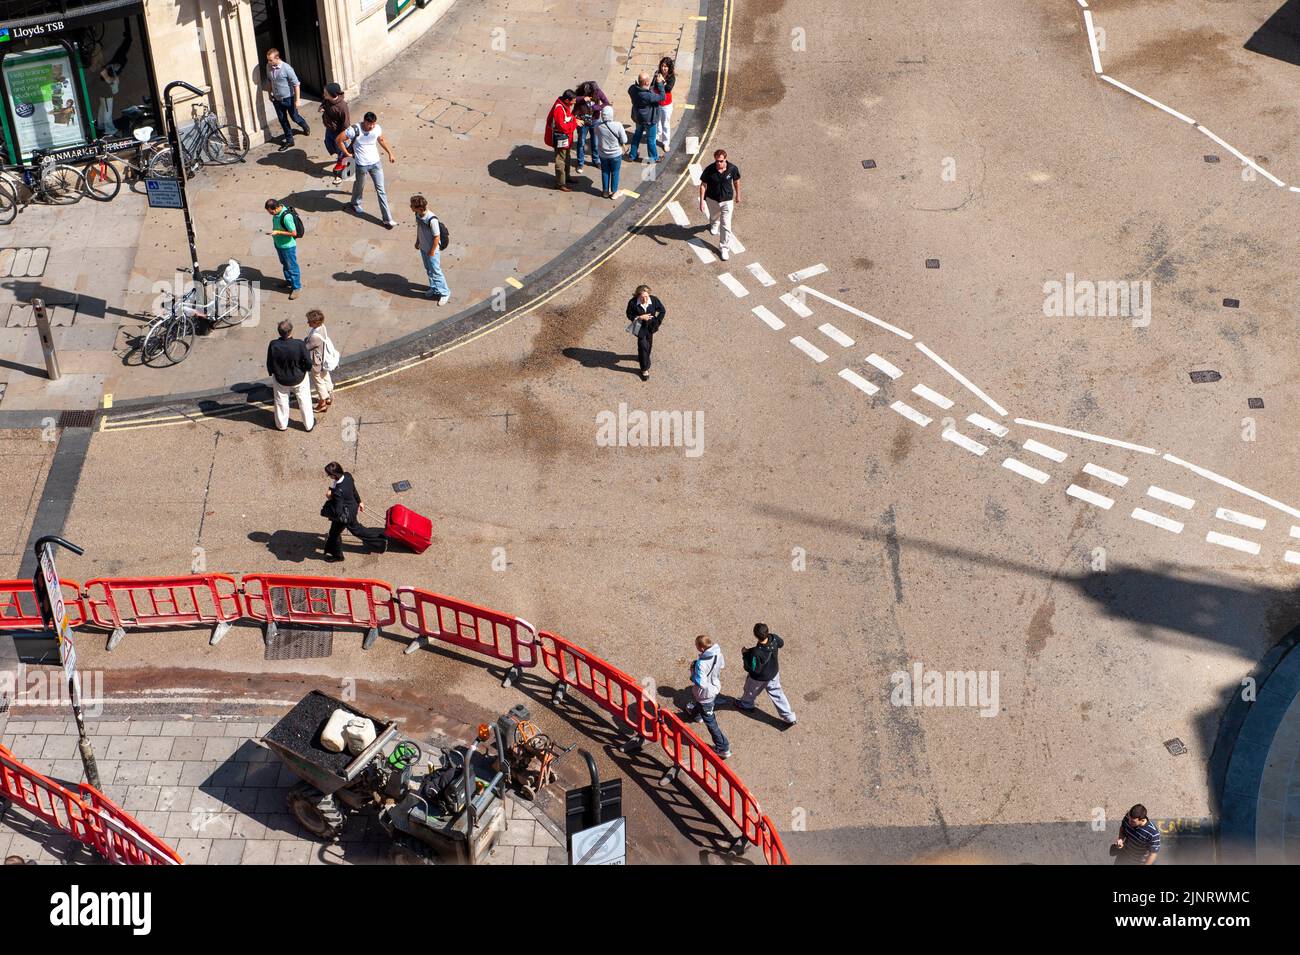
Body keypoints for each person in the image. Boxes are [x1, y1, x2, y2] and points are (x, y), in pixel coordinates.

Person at [336, 111, 398, 227]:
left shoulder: (377, 128)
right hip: (361, 165)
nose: (372, 126)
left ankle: (387, 219)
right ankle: (355, 203)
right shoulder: (354, 129)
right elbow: (339, 139)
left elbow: (381, 140)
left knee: (381, 190)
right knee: (359, 186)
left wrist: (390, 153)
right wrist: (346, 153)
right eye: (370, 124)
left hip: (376, 163)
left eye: (374, 124)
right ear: (364, 121)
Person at [321, 462, 388, 562]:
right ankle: (380, 541)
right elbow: (353, 490)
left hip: (346, 515)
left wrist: (330, 496)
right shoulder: (347, 476)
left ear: (334, 475)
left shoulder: (338, 491)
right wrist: (359, 501)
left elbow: (338, 511)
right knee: (357, 529)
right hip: (353, 506)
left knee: (335, 534)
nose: (328, 476)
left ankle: (338, 556)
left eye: (329, 474)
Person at [737, 623, 796, 725]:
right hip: (773, 673)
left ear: (755, 635)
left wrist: (746, 654)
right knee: (778, 694)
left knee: (750, 691)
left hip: (758, 679)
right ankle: (789, 716)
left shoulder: (756, 652)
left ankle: (746, 704)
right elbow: (781, 643)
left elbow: (754, 669)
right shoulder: (774, 638)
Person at [685, 635, 730, 759]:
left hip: (705, 695)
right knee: (701, 706)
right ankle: (696, 714)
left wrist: (693, 673)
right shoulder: (718, 654)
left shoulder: (701, 664)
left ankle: (723, 747)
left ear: (701, 648)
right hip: (715, 687)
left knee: (710, 722)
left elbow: (702, 684)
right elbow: (722, 666)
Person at [266, 320, 314, 432]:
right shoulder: (299, 344)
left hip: (281, 379)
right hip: (299, 377)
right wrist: (306, 369)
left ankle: (281, 425)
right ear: (291, 331)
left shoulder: (273, 344)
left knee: (280, 402)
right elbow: (308, 362)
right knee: (304, 401)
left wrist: (272, 372)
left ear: (279, 332)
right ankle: (308, 425)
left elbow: (270, 362)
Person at [698, 148, 741, 260]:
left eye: (721, 161)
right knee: (714, 215)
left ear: (725, 160)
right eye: (717, 161)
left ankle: (724, 248)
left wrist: (738, 194)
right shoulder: (709, 170)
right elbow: (703, 185)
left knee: (726, 225)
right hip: (712, 199)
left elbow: (736, 181)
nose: (718, 163)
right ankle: (714, 223)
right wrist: (702, 201)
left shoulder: (732, 169)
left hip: (727, 200)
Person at [264, 48, 309, 150]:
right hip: (277, 99)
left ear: (277, 58)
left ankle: (304, 125)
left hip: (289, 98)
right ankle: (289, 140)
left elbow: (296, 84)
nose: (269, 62)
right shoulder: (268, 66)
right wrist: (269, 93)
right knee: (282, 120)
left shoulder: (287, 69)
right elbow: (270, 80)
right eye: (268, 60)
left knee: (294, 117)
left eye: (270, 60)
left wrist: (297, 100)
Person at [411, 194, 450, 304]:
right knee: (429, 270)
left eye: (412, 206)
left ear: (420, 208)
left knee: (436, 271)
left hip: (432, 250)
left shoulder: (431, 219)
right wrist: (418, 241)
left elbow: (437, 236)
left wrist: (432, 251)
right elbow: (419, 229)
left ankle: (445, 292)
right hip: (423, 248)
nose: (411, 207)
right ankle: (434, 288)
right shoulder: (418, 215)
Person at [625, 285, 664, 381]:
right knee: (643, 346)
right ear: (638, 295)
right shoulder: (633, 302)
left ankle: (644, 358)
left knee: (649, 344)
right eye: (642, 297)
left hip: (651, 327)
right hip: (640, 327)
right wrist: (640, 317)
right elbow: (629, 314)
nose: (645, 299)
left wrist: (657, 321)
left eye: (646, 296)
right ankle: (644, 369)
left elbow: (662, 311)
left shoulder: (654, 300)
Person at [265, 198, 301, 299]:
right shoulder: (276, 213)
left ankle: (296, 288)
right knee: (285, 264)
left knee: (292, 267)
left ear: (276, 208)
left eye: (271, 211)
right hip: (279, 244)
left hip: (287, 247)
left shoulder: (286, 217)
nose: (270, 213)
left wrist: (278, 232)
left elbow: (294, 233)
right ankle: (289, 281)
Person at [304, 309, 338, 413]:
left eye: (309, 321)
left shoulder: (315, 337)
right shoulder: (323, 327)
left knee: (318, 381)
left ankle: (322, 403)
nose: (307, 322)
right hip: (324, 360)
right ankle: (329, 396)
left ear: (315, 322)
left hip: (316, 363)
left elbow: (306, 348)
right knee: (325, 376)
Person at [544, 90, 578, 191]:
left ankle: (566, 177)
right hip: (561, 138)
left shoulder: (564, 105)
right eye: (573, 100)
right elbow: (563, 127)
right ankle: (560, 183)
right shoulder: (559, 109)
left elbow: (567, 118)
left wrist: (574, 120)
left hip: (566, 138)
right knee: (560, 160)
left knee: (567, 157)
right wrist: (575, 123)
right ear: (567, 100)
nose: (575, 102)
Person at [626, 72, 663, 164]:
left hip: (638, 118)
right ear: (646, 82)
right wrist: (660, 84)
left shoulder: (633, 89)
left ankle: (632, 155)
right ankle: (654, 157)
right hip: (649, 120)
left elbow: (632, 88)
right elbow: (662, 97)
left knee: (637, 135)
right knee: (651, 140)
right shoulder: (647, 96)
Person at [574, 81, 611, 172]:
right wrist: (583, 98)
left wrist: (597, 107)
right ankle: (580, 163)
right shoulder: (580, 92)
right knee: (581, 142)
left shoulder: (598, 92)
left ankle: (596, 160)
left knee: (595, 142)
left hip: (595, 120)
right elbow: (574, 99)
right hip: (582, 120)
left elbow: (606, 103)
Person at [592, 105, 627, 199]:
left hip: (603, 154)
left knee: (605, 172)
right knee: (615, 172)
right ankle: (614, 192)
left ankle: (605, 192)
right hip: (616, 154)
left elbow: (596, 133)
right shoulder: (618, 125)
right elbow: (624, 140)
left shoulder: (598, 126)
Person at [320, 82, 351, 184]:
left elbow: (346, 123)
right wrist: (322, 107)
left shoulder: (342, 106)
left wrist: (343, 137)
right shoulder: (327, 99)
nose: (324, 94)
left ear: (332, 94)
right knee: (329, 144)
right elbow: (324, 103)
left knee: (341, 152)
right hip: (329, 129)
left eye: (326, 93)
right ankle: (343, 155)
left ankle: (340, 174)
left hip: (339, 132)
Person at [654, 57, 676, 153]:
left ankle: (666, 142)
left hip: (666, 104)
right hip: (657, 102)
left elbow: (668, 89)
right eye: (662, 66)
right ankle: (657, 133)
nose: (663, 68)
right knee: (657, 120)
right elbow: (653, 84)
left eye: (666, 66)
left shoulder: (671, 77)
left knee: (665, 124)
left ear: (669, 67)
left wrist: (662, 81)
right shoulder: (657, 73)